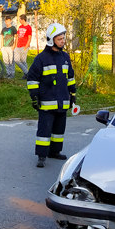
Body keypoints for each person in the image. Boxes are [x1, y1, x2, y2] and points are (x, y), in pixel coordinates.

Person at [26, 23, 77, 168]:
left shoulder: (65, 57)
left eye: (63, 38)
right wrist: (34, 97)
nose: (63, 41)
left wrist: (73, 93)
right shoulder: (41, 59)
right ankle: (42, 155)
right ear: (51, 40)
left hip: (62, 102)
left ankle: (55, 152)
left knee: (59, 130)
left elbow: (70, 77)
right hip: (46, 103)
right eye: (60, 39)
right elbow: (32, 79)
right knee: (44, 130)